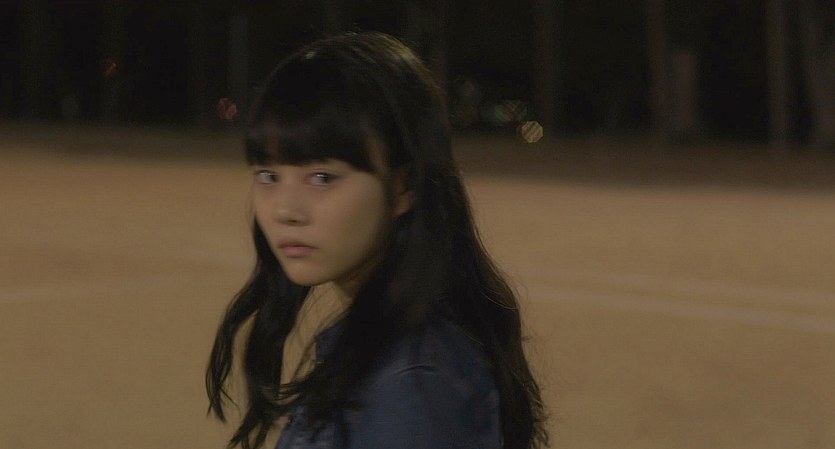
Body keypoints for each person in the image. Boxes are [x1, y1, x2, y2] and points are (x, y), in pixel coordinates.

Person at [206, 32, 547, 449]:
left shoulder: (413, 388)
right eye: (268, 176)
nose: (284, 210)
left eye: (322, 178)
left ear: (404, 186)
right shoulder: (390, 350)